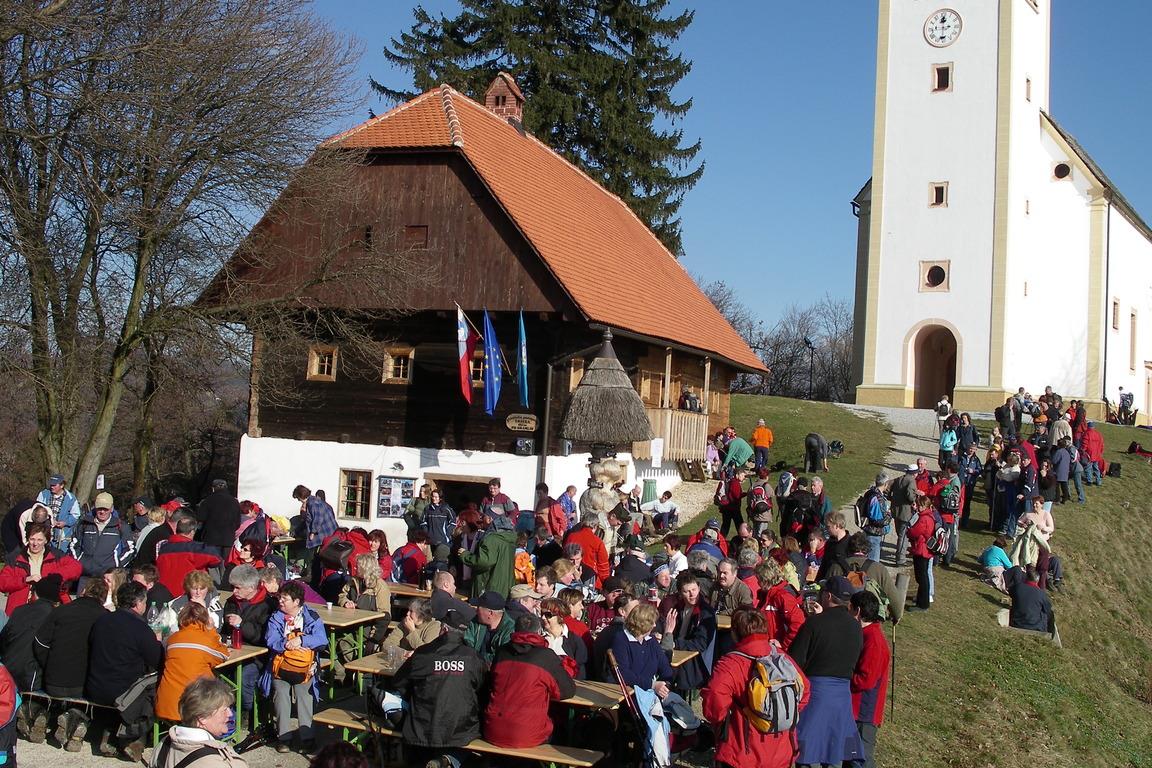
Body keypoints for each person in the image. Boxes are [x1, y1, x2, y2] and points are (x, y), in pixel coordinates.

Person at [702, 607, 810, 768]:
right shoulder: (781, 657)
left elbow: (714, 704)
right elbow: (804, 690)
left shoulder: (731, 664)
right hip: (782, 749)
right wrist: (781, 712)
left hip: (741, 750)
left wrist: (721, 721)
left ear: (734, 633)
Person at [788, 576, 864, 767]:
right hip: (842, 697)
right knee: (835, 751)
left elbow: (795, 661)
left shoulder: (814, 623)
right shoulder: (856, 627)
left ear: (828, 596)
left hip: (816, 694)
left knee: (806, 751)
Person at [86, 581, 164, 761]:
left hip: (95, 686)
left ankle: (114, 733)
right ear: (138, 603)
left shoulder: (102, 620)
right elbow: (158, 660)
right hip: (123, 693)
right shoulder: (140, 628)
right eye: (144, 602)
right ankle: (132, 736)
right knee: (156, 686)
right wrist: (158, 642)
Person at [389, 623, 484, 768]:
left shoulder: (422, 653)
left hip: (423, 728)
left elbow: (398, 683)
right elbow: (482, 687)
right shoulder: (473, 656)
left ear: (444, 629)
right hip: (461, 729)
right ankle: (447, 760)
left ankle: (444, 760)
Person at [33, 578, 109, 750]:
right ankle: (75, 718)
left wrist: (48, 664)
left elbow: (40, 643)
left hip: (53, 680)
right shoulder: (104, 617)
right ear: (104, 598)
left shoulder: (61, 610)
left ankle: (44, 714)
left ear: (83, 591)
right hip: (82, 686)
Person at [483, 612, 576, 748]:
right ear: (539, 632)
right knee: (562, 731)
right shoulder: (545, 656)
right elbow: (567, 691)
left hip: (492, 728)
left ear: (515, 630)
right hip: (528, 734)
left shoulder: (502, 652)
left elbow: (492, 683)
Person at [260, 581, 327, 753]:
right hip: (281, 665)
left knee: (304, 693)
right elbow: (271, 640)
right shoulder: (276, 617)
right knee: (280, 692)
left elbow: (322, 640)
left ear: (296, 602)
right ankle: (284, 737)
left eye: (285, 599)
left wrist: (302, 640)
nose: (280, 601)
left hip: (304, 667)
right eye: (280, 598)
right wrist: (288, 643)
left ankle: (307, 738)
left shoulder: (311, 616)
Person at [155, 603, 230, 723]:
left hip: (167, 704)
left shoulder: (172, 639)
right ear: (205, 619)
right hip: (194, 706)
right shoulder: (205, 639)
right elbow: (223, 655)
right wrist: (211, 631)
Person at [150, 676, 248, 768]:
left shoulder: (163, 745)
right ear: (202, 718)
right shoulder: (216, 763)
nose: (230, 714)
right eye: (224, 710)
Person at [221, 564, 277, 725]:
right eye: (232, 587)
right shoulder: (232, 602)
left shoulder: (268, 605)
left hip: (258, 656)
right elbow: (225, 630)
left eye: (238, 588)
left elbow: (264, 638)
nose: (234, 591)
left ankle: (248, 711)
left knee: (244, 678)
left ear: (251, 587)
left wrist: (241, 625)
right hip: (232, 651)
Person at [0, 521, 80, 615]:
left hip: (49, 608)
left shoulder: (55, 555)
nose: (35, 543)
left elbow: (76, 567)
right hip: (20, 609)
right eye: (32, 539)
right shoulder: (15, 558)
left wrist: (54, 576)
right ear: (27, 539)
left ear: (46, 540)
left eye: (39, 540)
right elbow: (2, 583)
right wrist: (25, 580)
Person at [849, 590, 890, 768]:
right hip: (857, 709)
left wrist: (842, 674)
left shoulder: (873, 641)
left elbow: (865, 680)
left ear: (857, 611)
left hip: (864, 711)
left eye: (850, 609)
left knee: (860, 758)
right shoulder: (866, 635)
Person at [0, 572, 60, 692]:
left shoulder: (19, 610)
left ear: (36, 594)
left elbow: (3, 640)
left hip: (7, 671)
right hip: (30, 678)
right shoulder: (55, 616)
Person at [658, 571, 717, 692]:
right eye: (687, 591)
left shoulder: (705, 612)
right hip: (676, 652)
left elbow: (701, 643)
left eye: (694, 590)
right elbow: (666, 625)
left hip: (695, 661)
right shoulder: (677, 608)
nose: (692, 594)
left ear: (699, 588)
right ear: (680, 593)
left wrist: (675, 643)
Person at [70, 492, 135, 589]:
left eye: (105, 509)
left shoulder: (121, 526)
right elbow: (74, 545)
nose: (102, 512)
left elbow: (130, 549)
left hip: (108, 577)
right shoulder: (84, 524)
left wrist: (117, 565)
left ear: (111, 508)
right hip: (86, 576)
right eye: (99, 508)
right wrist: (79, 562)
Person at [610, 602, 674, 696]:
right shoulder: (621, 640)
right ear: (642, 623)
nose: (655, 625)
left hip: (652, 693)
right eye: (652, 622)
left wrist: (666, 684)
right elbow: (624, 674)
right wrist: (652, 685)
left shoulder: (651, 640)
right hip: (630, 693)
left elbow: (664, 665)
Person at [156, 515, 223, 597]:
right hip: (187, 595)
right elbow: (217, 559)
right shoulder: (197, 549)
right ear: (192, 532)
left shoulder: (163, 548)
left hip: (164, 594)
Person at [460, 508, 518, 598]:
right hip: (505, 586)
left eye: (483, 516)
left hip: (489, 587)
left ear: (489, 519)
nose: (481, 519)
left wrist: (465, 555)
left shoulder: (491, 538)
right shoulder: (509, 537)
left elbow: (484, 562)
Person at [754, 558, 806, 649]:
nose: (757, 583)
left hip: (778, 648)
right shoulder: (767, 595)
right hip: (769, 644)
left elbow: (798, 623)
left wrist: (784, 644)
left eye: (759, 580)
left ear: (766, 580)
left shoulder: (782, 597)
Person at [292, 485, 337, 588]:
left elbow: (318, 519)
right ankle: (314, 579)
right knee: (316, 559)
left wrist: (313, 532)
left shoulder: (314, 503)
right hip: (326, 536)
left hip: (325, 536)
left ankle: (314, 582)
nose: (299, 500)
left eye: (298, 498)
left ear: (301, 496)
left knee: (316, 559)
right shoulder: (313, 502)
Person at [462, 590, 515, 665]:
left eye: (478, 607)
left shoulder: (510, 630)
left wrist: (479, 658)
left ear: (490, 613)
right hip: (474, 666)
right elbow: (467, 642)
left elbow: (502, 657)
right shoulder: (475, 622)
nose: (476, 610)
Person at [562, 512, 610, 588]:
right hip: (590, 578)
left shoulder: (571, 536)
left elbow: (565, 555)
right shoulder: (597, 542)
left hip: (571, 574)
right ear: (595, 526)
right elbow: (603, 566)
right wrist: (606, 583)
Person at [907, 496, 938, 611]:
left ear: (925, 506)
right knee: (923, 577)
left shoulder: (924, 518)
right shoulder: (930, 516)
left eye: (920, 505)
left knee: (922, 578)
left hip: (922, 550)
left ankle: (923, 604)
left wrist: (909, 531)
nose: (919, 507)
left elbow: (915, 532)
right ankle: (921, 599)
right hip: (925, 550)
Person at [196, 479, 242, 556]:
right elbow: (238, 522)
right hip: (228, 539)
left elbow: (201, 519)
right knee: (226, 561)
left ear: (213, 488)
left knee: (212, 561)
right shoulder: (235, 502)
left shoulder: (207, 500)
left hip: (211, 539)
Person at [37, 473, 80, 548]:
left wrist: (65, 522)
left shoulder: (71, 498)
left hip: (62, 539)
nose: (52, 487)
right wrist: (48, 520)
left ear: (62, 485)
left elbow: (76, 515)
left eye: (54, 485)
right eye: (51, 485)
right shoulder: (43, 494)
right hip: (44, 534)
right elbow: (37, 511)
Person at [1008, 564, 1054, 633]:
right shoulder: (1041, 593)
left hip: (1016, 623)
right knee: (1045, 612)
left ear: (1026, 578)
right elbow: (1048, 610)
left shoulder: (1017, 587)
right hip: (1036, 627)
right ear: (1037, 581)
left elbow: (1011, 593)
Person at [421, 489, 457, 564]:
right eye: (433, 496)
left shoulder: (446, 508)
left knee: (441, 561)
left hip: (442, 540)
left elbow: (453, 521)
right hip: (431, 539)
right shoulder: (427, 508)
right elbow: (423, 522)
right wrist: (427, 532)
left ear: (440, 498)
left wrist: (447, 532)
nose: (434, 498)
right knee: (431, 561)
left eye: (436, 497)